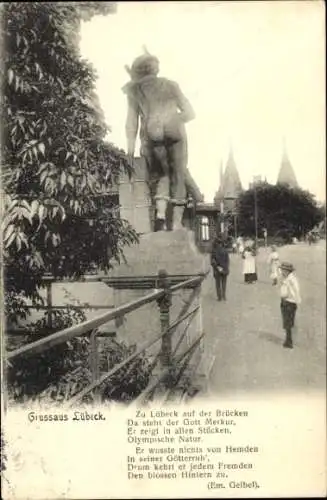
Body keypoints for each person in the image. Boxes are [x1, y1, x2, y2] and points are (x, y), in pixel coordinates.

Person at [123, 50, 195, 231]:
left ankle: (161, 216)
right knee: (178, 174)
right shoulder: (171, 85)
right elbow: (190, 112)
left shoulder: (135, 90)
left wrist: (130, 150)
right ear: (155, 68)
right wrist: (175, 119)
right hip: (174, 130)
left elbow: (131, 122)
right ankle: (177, 224)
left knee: (162, 174)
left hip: (151, 132)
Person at [279, 261, 301, 349]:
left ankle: (289, 341)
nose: (282, 272)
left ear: (288, 271)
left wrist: (295, 299)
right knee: (286, 321)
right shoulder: (285, 278)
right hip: (285, 301)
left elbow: (296, 290)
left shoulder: (292, 279)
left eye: (283, 270)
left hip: (290, 302)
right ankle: (288, 339)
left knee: (288, 322)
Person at [211, 237, 230, 301]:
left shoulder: (214, 251)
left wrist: (218, 267)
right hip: (225, 269)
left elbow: (212, 262)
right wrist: (226, 268)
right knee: (224, 283)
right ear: (221, 243)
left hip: (217, 270)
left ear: (216, 243)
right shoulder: (225, 251)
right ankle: (224, 296)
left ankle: (219, 297)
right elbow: (227, 261)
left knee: (218, 284)